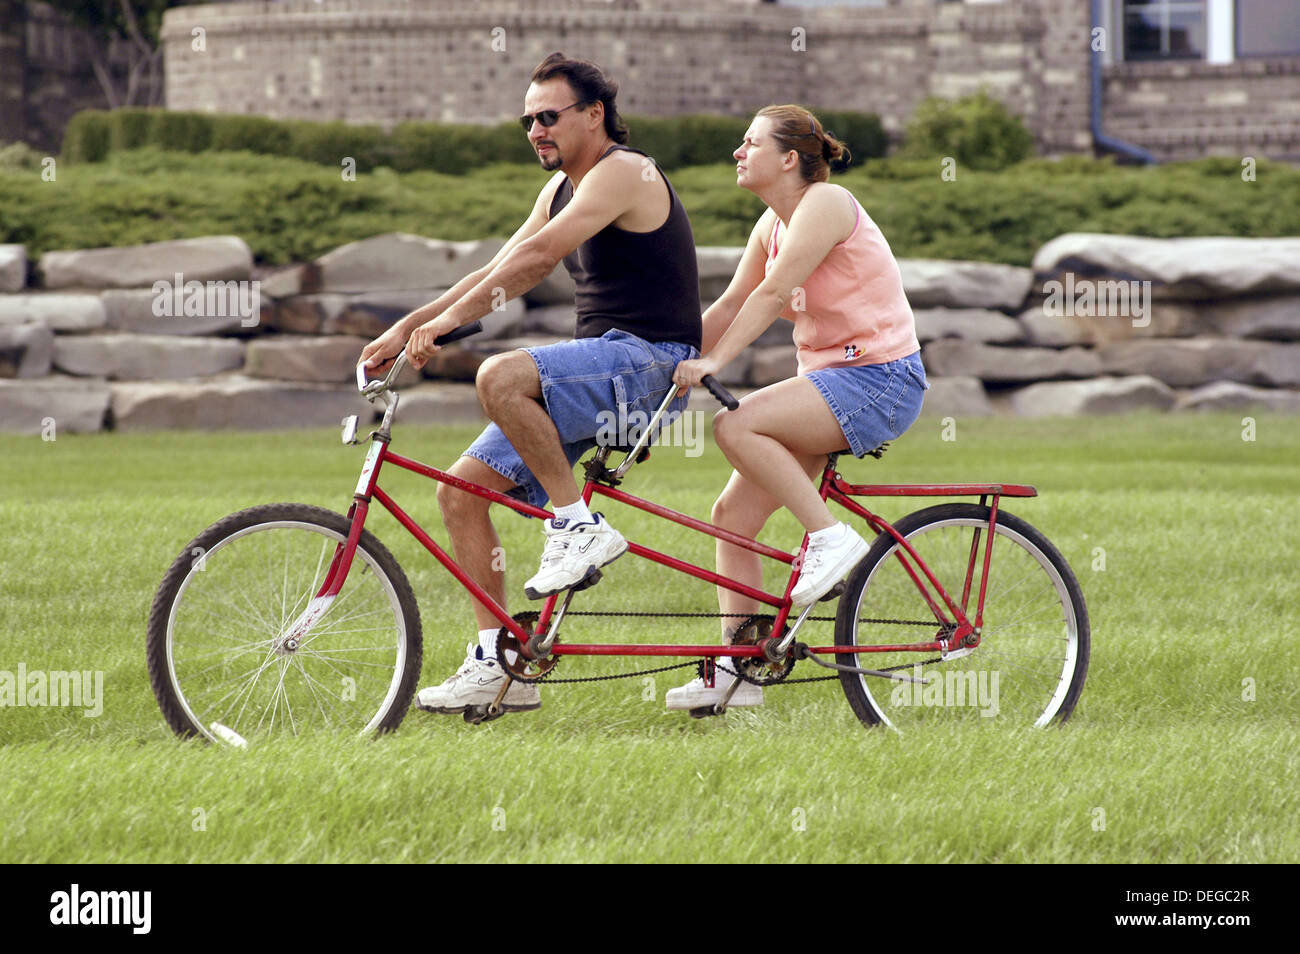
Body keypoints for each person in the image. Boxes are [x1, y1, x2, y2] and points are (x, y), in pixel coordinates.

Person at [359, 53, 701, 718]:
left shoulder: (625, 173)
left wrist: (455, 324)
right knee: (460, 496)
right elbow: (503, 263)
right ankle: (499, 666)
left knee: (501, 374)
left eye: (548, 116)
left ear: (594, 114)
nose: (535, 130)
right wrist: (408, 327)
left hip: (651, 364)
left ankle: (579, 527)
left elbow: (541, 262)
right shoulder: (559, 188)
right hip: (601, 366)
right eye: (527, 120)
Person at [667, 104, 927, 712]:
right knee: (730, 516)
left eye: (749, 142)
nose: (738, 151)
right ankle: (737, 672)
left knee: (737, 422)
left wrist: (713, 366)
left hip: (881, 380)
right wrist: (665, 367)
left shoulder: (828, 204)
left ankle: (830, 540)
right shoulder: (771, 225)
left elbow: (775, 292)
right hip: (834, 383)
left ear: (789, 158)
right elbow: (733, 302)